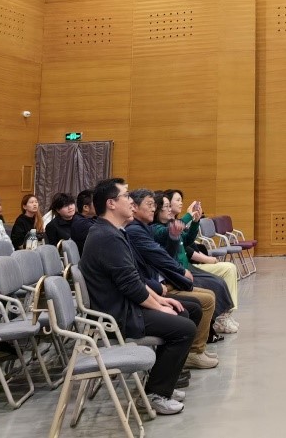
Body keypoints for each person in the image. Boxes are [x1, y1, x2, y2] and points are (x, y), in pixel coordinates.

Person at [80, 178, 196, 416]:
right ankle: (155, 395)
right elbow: (131, 285)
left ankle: (159, 382)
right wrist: (159, 307)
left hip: (126, 304)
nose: (131, 201)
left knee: (187, 310)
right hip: (118, 315)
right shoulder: (107, 236)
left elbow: (135, 279)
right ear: (111, 203)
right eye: (126, 196)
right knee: (184, 328)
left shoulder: (112, 232)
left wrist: (161, 301)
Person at [126, 190, 225, 368]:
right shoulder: (140, 230)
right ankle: (193, 352)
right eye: (153, 205)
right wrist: (173, 276)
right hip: (155, 287)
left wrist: (179, 232)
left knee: (209, 294)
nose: (170, 209)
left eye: (155, 205)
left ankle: (194, 351)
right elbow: (156, 259)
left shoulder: (143, 228)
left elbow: (172, 250)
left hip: (163, 281)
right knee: (204, 301)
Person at [153, 193, 239, 332]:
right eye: (167, 206)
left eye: (170, 206)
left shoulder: (169, 224)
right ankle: (218, 321)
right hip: (175, 274)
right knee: (215, 285)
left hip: (184, 268)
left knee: (218, 281)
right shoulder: (156, 228)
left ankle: (223, 316)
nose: (169, 209)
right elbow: (170, 231)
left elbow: (187, 240)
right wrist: (189, 215)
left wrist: (195, 222)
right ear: (158, 209)